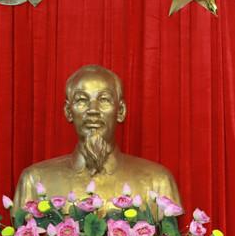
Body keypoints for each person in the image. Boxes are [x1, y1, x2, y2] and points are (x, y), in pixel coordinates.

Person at [14, 65, 179, 208]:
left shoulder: (157, 181)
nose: (93, 110)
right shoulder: (35, 181)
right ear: (68, 111)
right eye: (82, 100)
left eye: (104, 99)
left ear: (120, 111)